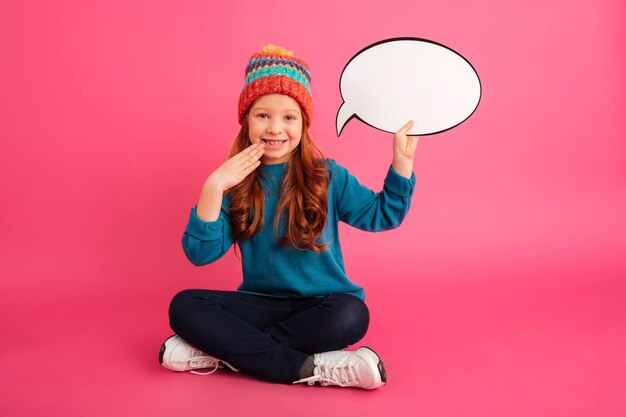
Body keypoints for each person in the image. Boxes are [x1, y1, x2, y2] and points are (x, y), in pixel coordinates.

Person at [159, 44, 418, 389]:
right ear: (246, 119)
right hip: (259, 305)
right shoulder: (234, 183)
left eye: (289, 117)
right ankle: (307, 367)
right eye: (262, 115)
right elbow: (201, 254)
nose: (275, 128)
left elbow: (382, 215)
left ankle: (229, 351)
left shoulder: (329, 176)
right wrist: (214, 185)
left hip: (322, 307)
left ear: (303, 123)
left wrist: (402, 165)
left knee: (352, 315)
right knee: (184, 306)